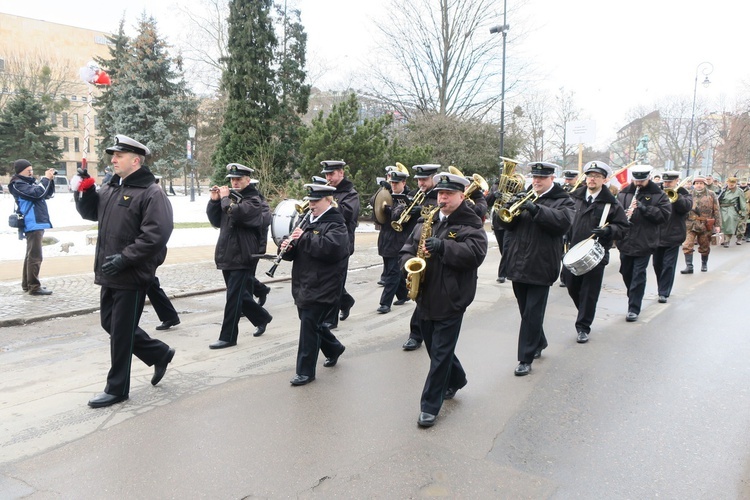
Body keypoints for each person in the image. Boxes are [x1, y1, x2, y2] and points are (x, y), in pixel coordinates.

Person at [75, 135, 175, 408]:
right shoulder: (111, 186)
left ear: (136, 160)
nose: (113, 160)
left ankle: (117, 388)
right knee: (111, 324)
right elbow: (92, 213)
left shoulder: (151, 192)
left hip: (131, 272)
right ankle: (159, 353)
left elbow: (156, 235)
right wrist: (85, 190)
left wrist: (125, 259)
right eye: (113, 155)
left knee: (120, 332)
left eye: (119, 155)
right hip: (110, 269)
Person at [399, 172, 487, 427]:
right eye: (440, 193)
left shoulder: (472, 224)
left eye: (448, 194)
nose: (443, 198)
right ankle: (457, 378)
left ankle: (429, 406)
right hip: (425, 296)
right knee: (435, 348)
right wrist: (407, 264)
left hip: (452, 298)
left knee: (439, 354)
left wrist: (444, 247)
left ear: (462, 196)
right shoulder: (428, 219)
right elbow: (407, 249)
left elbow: (475, 254)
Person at [498, 162, 575, 376]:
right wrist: (503, 208)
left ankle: (525, 358)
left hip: (541, 264)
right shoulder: (525, 195)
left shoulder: (563, 200)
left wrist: (536, 209)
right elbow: (506, 225)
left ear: (552, 178)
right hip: (517, 262)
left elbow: (563, 223)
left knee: (532, 313)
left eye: (541, 177)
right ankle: (539, 341)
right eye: (534, 177)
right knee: (526, 311)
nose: (536, 181)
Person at [281, 183, 349, 386]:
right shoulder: (306, 220)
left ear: (329, 200)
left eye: (315, 201)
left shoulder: (337, 223)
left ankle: (305, 371)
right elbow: (296, 249)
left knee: (308, 327)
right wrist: (287, 247)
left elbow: (332, 249)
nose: (311, 205)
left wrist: (304, 238)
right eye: (310, 201)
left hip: (324, 284)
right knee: (312, 323)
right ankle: (334, 348)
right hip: (304, 281)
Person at [561, 161, 629, 344]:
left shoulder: (611, 203)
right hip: (572, 252)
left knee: (589, 292)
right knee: (571, 284)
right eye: (590, 175)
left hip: (596, 255)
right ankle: (584, 310)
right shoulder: (573, 198)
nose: (592, 179)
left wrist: (609, 231)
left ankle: (583, 326)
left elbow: (623, 227)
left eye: (597, 176)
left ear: (604, 179)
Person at [206, 163, 273, 349]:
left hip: (243, 254)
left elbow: (236, 213)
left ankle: (228, 337)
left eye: (239, 179)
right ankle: (262, 317)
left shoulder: (254, 200)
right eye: (232, 179)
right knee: (239, 295)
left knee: (233, 298)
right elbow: (215, 220)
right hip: (227, 252)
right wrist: (214, 200)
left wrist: (226, 198)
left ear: (247, 180)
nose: (235, 182)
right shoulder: (233, 198)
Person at [616, 165, 671, 322]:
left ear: (648, 178)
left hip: (645, 240)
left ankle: (634, 307)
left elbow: (664, 216)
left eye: (642, 180)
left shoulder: (659, 195)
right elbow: (615, 212)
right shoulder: (624, 193)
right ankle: (633, 294)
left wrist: (644, 208)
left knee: (638, 274)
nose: (638, 183)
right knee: (626, 272)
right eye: (636, 180)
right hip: (625, 240)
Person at [400, 164, 440, 351]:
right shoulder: (417, 195)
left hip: (431, 250)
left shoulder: (438, 197)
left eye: (424, 179)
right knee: (420, 296)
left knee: (423, 297)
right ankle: (419, 332)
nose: (420, 183)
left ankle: (416, 334)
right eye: (418, 180)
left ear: (434, 178)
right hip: (412, 245)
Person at [8, 159, 56, 295]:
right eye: (29, 170)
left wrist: (50, 180)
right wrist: (45, 179)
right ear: (21, 170)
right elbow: (37, 194)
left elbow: (46, 194)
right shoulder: (17, 184)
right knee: (35, 255)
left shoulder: (29, 183)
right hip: (31, 222)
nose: (31, 172)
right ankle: (34, 287)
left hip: (37, 221)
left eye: (31, 169)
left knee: (31, 255)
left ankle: (27, 284)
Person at [321, 160, 359, 325]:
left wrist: (329, 203)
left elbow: (347, 215)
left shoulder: (350, 193)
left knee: (335, 280)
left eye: (332, 174)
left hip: (342, 243)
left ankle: (331, 319)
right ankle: (345, 301)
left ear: (341, 173)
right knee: (328, 279)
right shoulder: (326, 190)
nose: (329, 177)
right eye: (327, 174)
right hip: (324, 241)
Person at [374, 168, 411, 313]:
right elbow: (374, 202)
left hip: (399, 240)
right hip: (385, 238)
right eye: (392, 183)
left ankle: (385, 303)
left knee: (392, 273)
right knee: (394, 271)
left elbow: (397, 215)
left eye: (396, 183)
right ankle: (403, 294)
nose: (394, 185)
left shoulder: (408, 197)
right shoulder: (387, 193)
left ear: (404, 182)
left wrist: (388, 207)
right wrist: (382, 190)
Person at [652, 171, 692, 303]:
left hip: (674, 235)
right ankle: (661, 286)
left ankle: (664, 292)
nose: (667, 184)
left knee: (668, 265)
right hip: (657, 234)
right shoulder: (657, 192)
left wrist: (676, 197)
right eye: (665, 182)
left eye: (669, 182)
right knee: (657, 264)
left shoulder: (684, 193)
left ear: (676, 181)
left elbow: (686, 207)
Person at [681, 176, 721, 273]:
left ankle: (704, 264)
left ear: (704, 184)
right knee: (687, 245)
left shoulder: (711, 194)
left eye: (701, 183)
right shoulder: (688, 194)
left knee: (704, 245)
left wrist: (718, 225)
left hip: (705, 224)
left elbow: (716, 210)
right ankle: (689, 266)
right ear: (694, 185)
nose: (699, 185)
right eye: (697, 183)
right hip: (690, 223)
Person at [718, 177, 748, 247]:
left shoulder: (739, 191)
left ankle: (727, 240)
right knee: (721, 224)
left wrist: (743, 212)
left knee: (729, 224)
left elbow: (742, 202)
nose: (731, 186)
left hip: (731, 208)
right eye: (729, 184)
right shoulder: (724, 189)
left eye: (733, 184)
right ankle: (723, 239)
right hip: (722, 208)